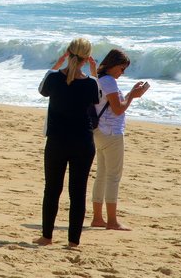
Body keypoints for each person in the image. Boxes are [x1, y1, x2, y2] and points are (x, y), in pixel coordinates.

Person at [35, 38, 100, 247]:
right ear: (87, 57)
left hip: (57, 140)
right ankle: (73, 241)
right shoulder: (90, 83)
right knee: (78, 193)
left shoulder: (54, 79)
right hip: (83, 141)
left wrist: (57, 63)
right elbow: (97, 99)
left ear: (67, 53)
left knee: (52, 190)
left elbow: (42, 89)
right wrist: (94, 71)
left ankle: (47, 237)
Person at [89, 49, 150, 231]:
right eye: (121, 69)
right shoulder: (109, 81)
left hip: (99, 131)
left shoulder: (98, 78)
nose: (122, 73)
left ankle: (98, 218)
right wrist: (132, 95)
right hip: (111, 132)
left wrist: (131, 94)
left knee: (101, 175)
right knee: (113, 177)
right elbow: (117, 109)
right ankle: (112, 220)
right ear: (114, 65)